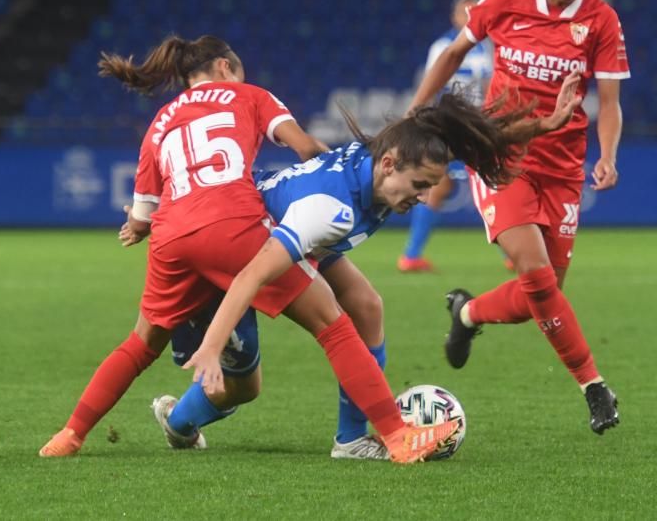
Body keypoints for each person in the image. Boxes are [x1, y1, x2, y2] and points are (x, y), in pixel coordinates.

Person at [38, 34, 458, 464]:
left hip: (172, 237)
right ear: (225, 67)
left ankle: (71, 434)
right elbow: (305, 147)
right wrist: (333, 171)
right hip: (235, 225)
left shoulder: (161, 121)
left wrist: (135, 227)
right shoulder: (249, 95)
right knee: (333, 324)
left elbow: (143, 215)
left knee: (142, 344)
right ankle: (396, 437)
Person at [158, 82, 581, 459]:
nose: (423, 196)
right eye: (420, 187)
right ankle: (180, 422)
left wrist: (543, 126)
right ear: (389, 165)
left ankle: (352, 439)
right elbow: (252, 275)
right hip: (246, 242)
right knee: (251, 382)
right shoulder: (328, 210)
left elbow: (470, 144)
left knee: (366, 306)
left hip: (295, 235)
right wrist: (212, 345)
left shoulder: (393, 159)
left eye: (428, 187)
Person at [408, 0, 629, 435]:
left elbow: (611, 102)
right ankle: (594, 386)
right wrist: (418, 109)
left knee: (543, 294)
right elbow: (454, 53)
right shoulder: (504, 3)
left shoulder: (601, 21)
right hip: (503, 156)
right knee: (535, 274)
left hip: (563, 168)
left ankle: (466, 314)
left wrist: (608, 156)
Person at [398, 0, 493, 273]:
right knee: (438, 186)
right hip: (447, 124)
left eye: (473, 12)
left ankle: (512, 251)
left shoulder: (484, 48)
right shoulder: (442, 45)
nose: (469, 17)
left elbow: (488, 86)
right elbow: (433, 82)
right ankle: (411, 255)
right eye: (464, 12)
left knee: (489, 185)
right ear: (454, 16)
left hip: (476, 124)